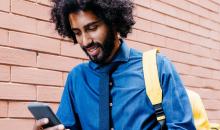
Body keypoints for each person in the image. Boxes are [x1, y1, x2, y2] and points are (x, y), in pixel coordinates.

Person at [33, 0, 196, 129]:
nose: (84, 41)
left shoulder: (158, 66)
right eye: (77, 33)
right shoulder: (77, 78)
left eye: (92, 28)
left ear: (113, 21)